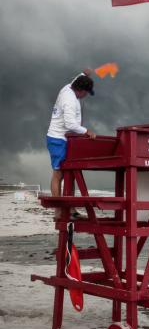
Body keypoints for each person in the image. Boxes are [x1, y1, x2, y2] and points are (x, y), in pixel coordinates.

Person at [47, 69, 97, 219]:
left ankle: (71, 209)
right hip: (57, 138)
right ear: (80, 90)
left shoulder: (69, 86)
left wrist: (84, 73)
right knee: (59, 174)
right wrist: (87, 131)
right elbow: (70, 125)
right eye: (86, 93)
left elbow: (78, 77)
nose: (86, 96)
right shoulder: (69, 101)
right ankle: (58, 211)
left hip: (66, 139)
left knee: (71, 173)